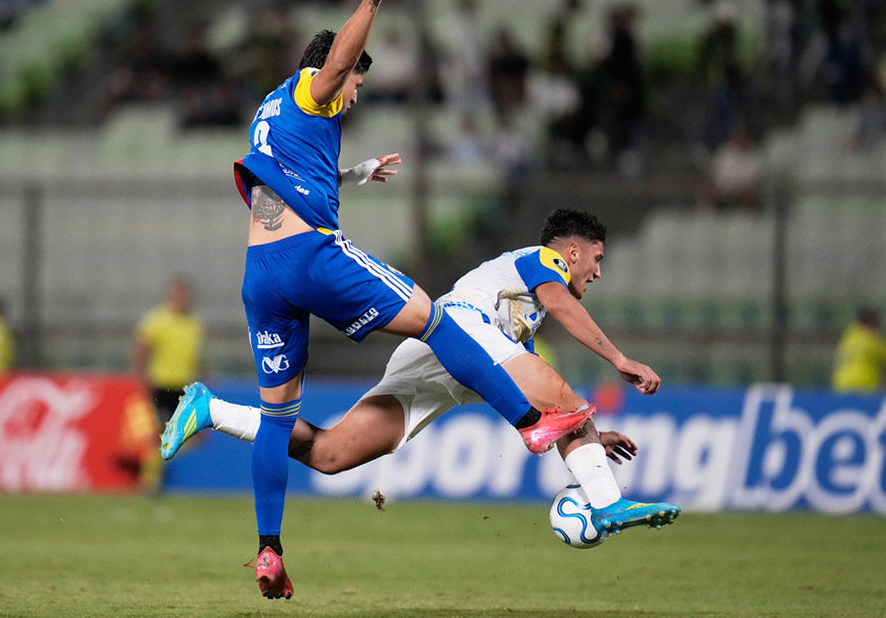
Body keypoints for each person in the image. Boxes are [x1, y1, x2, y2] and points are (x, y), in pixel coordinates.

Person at [198, 0, 618, 600]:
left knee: (279, 419)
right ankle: (531, 422)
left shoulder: (271, 110)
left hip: (261, 274)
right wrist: (370, 3)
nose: (354, 97)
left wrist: (356, 172)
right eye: (357, 86)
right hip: (311, 256)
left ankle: (269, 548)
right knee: (437, 320)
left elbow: (287, 179)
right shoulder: (316, 85)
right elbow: (337, 64)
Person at [163, 207, 677, 596]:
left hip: (437, 353)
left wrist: (588, 438)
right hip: (459, 331)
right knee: (569, 404)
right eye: (597, 259)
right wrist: (618, 359)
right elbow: (559, 306)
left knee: (330, 454)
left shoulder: (520, 314)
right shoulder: (543, 262)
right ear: (573, 251)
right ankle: (606, 502)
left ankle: (212, 410)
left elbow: (532, 397)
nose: (598, 272)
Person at [132, 275, 204, 428]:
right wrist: (142, 375)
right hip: (161, 384)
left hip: (185, 385)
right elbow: (142, 347)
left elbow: (192, 355)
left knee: (185, 431)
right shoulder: (157, 319)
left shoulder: (194, 323)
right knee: (162, 429)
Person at [832, 307, 886, 393]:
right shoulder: (871, 339)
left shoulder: (849, 335)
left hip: (842, 383)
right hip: (864, 383)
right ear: (870, 323)